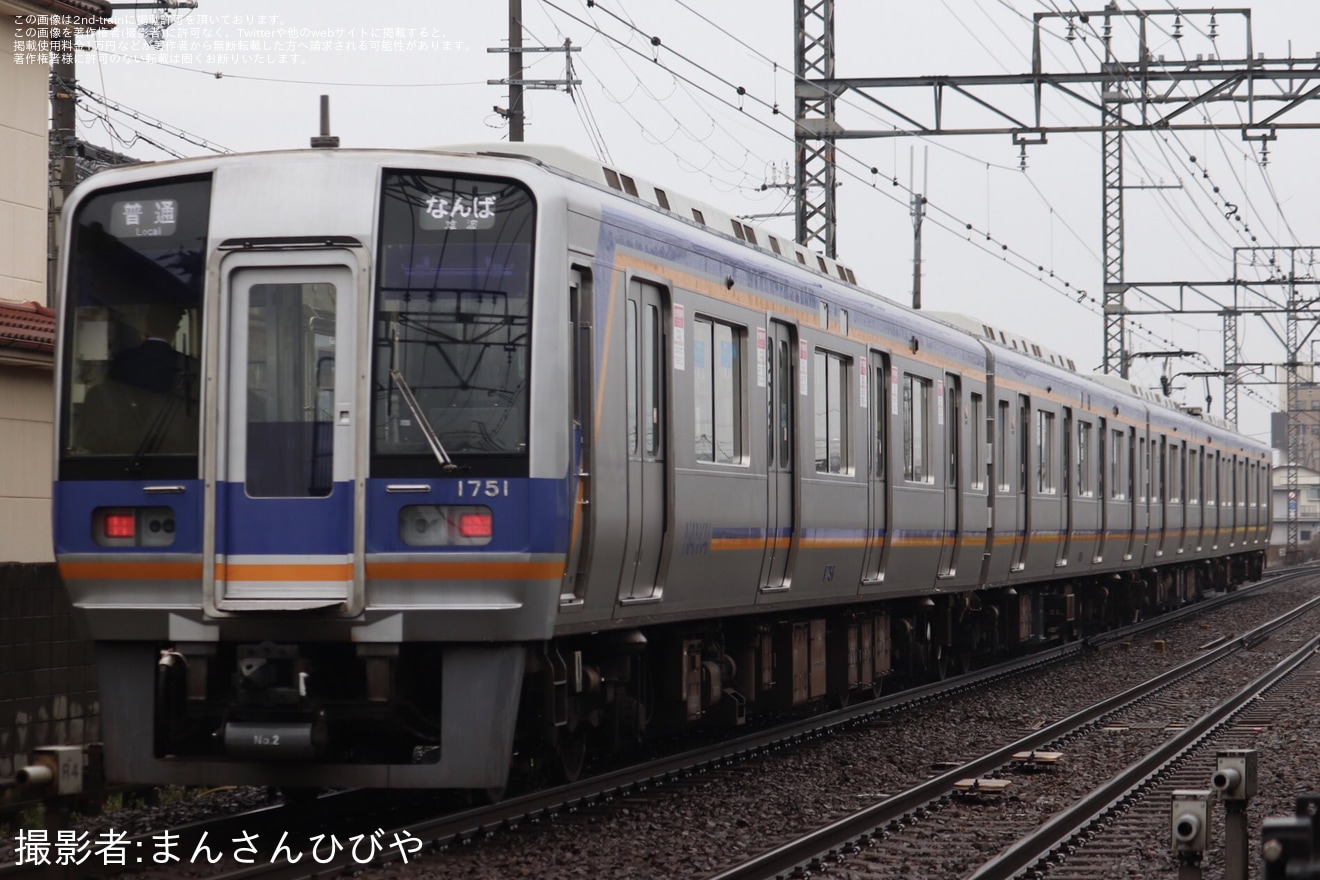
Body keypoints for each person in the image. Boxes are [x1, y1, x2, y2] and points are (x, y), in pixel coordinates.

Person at [79, 304, 199, 456]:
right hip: (177, 458)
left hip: (120, 456)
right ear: (175, 330)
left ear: (146, 325)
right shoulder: (188, 366)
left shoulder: (123, 360)